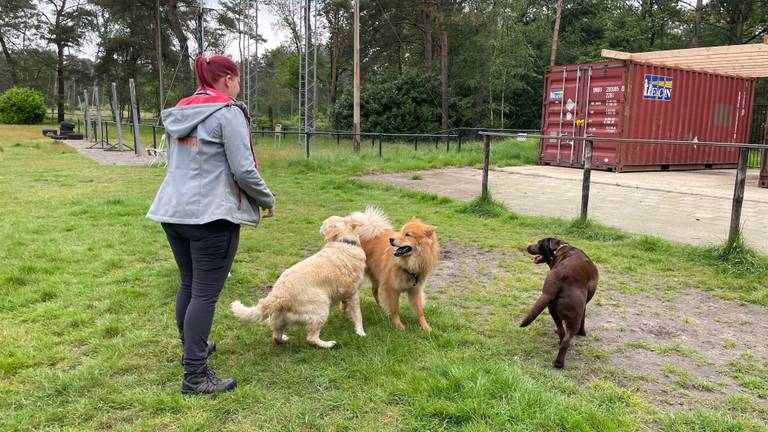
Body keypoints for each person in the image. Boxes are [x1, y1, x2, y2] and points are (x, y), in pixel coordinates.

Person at [147, 54, 275, 394]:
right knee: (204, 294)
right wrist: (267, 199)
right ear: (229, 79)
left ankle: (193, 347)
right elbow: (244, 169)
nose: (238, 86)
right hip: (210, 215)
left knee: (189, 284)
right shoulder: (227, 112)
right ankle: (195, 375)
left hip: (172, 211)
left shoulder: (182, 110)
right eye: (238, 79)